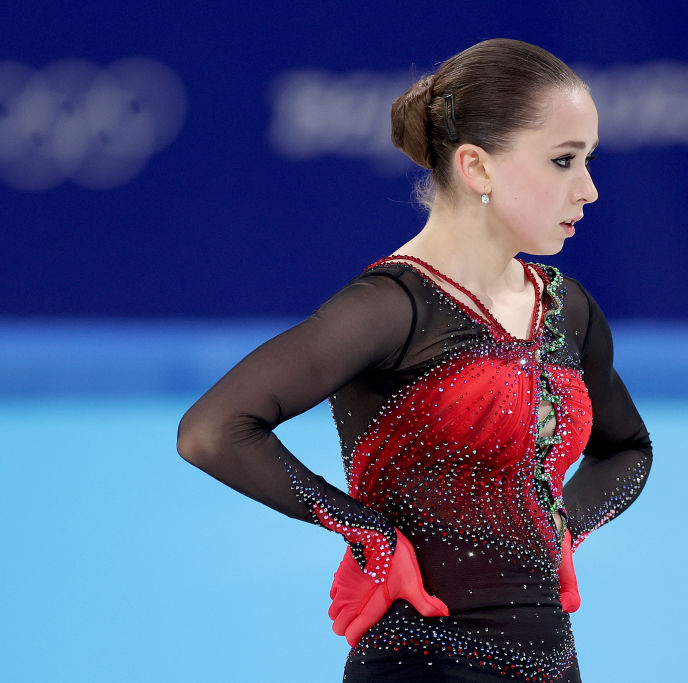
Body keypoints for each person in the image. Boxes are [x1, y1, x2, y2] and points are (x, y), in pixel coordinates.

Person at [177, 38, 652, 682]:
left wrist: (564, 524)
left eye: (589, 159)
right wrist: (369, 535)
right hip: (423, 662)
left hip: (553, 663)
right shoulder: (391, 308)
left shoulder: (568, 310)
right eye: (564, 161)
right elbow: (213, 430)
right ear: (477, 167)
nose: (589, 189)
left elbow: (627, 449)